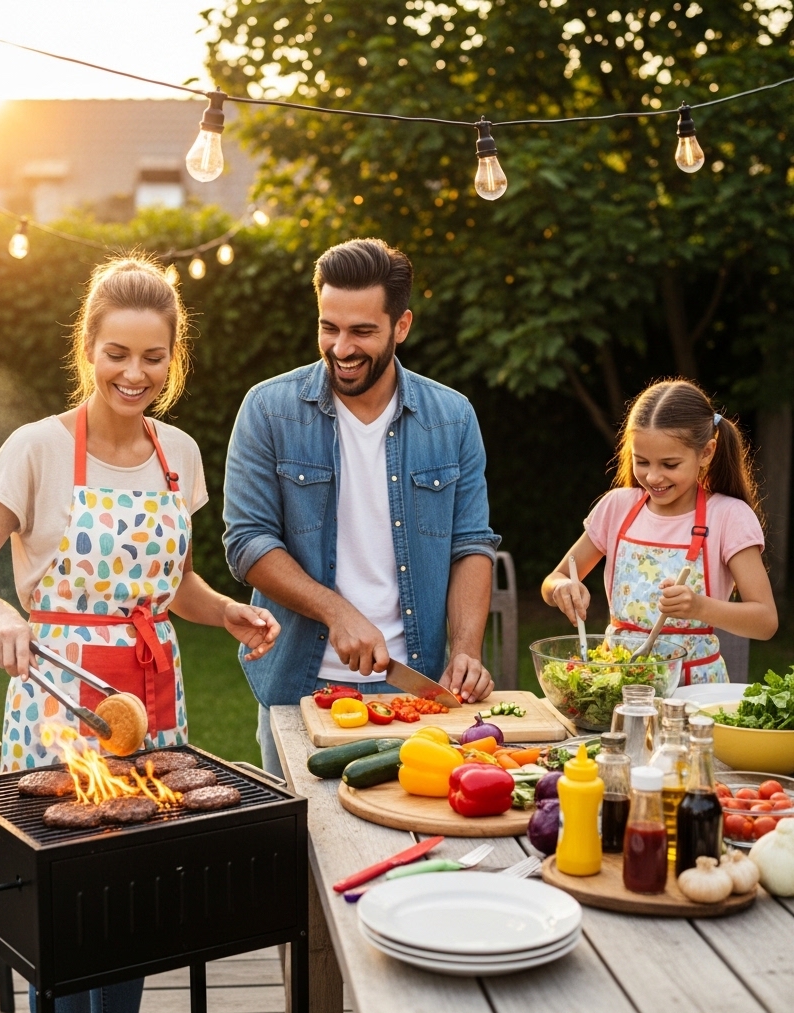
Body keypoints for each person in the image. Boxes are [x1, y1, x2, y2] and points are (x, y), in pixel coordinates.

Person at [0, 256, 279, 1013]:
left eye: (153, 356)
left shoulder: (178, 454)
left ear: (173, 356)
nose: (135, 372)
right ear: (88, 348)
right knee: (60, 912)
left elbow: (173, 586)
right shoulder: (37, 448)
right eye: (117, 353)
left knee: (133, 903)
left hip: (152, 702)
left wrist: (226, 611)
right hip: (58, 699)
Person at [223, 237, 500, 778]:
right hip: (299, 689)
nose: (341, 348)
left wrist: (465, 650)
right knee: (302, 853)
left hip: (412, 688)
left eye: (362, 331)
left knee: (406, 840)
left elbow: (472, 544)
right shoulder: (268, 410)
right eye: (330, 327)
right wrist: (337, 611)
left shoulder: (453, 418)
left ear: (401, 326)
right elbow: (248, 542)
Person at [542, 379, 778, 684]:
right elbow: (554, 579)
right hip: (619, 682)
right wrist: (561, 589)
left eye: (669, 464)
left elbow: (765, 621)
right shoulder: (617, 508)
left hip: (694, 691)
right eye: (642, 462)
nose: (653, 476)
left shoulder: (729, 516)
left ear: (706, 453)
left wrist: (699, 606)